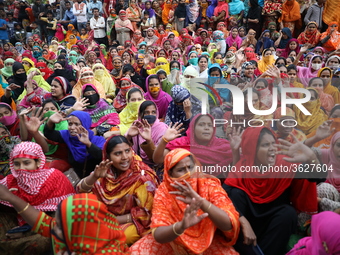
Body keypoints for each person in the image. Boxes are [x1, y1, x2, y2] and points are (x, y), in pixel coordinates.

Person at [223, 126, 320, 255]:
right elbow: (223, 197)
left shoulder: (284, 164)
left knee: (288, 213)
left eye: (273, 143)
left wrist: (311, 157)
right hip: (247, 228)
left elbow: (319, 176)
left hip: (274, 226)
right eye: (265, 145)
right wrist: (243, 221)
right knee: (235, 195)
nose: (272, 149)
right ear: (253, 150)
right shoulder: (243, 167)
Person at [130, 148, 240, 254]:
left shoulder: (209, 184)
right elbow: (158, 234)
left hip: (209, 240)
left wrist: (201, 202)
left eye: (190, 167)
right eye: (181, 170)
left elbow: (229, 224)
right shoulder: (164, 192)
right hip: (174, 242)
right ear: (170, 174)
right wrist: (181, 226)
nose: (188, 173)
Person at [76, 135, 159, 245]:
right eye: (118, 153)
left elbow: (147, 213)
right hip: (106, 216)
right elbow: (80, 191)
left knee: (120, 236)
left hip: (134, 221)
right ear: (108, 157)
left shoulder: (142, 177)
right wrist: (94, 176)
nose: (125, 157)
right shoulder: (106, 170)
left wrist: (111, 220)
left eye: (127, 151)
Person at [0, 191, 130, 254]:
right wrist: (10, 197)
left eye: (60, 226)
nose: (54, 227)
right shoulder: (81, 234)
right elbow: (45, 223)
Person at [43, 111, 106, 178]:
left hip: (95, 179)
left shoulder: (98, 140)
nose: (72, 127)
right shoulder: (67, 136)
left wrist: (88, 144)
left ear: (85, 124)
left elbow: (101, 156)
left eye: (76, 124)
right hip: (76, 179)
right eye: (70, 124)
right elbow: (49, 134)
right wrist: (50, 121)